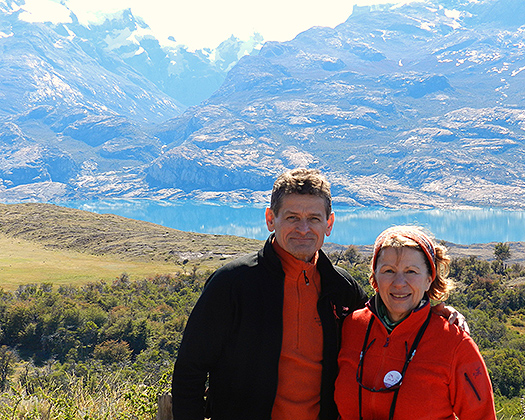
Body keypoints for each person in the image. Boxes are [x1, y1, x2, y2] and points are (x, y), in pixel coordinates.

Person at [171, 169, 465, 420]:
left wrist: (435, 312)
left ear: (330, 223)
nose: (303, 229)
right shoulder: (232, 284)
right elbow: (189, 371)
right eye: (292, 217)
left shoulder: (341, 287)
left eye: (313, 218)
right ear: (271, 219)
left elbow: (388, 318)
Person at [334, 225, 496, 420]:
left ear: (429, 279)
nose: (399, 282)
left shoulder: (454, 344)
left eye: (411, 271)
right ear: (374, 277)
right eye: (388, 271)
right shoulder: (351, 326)